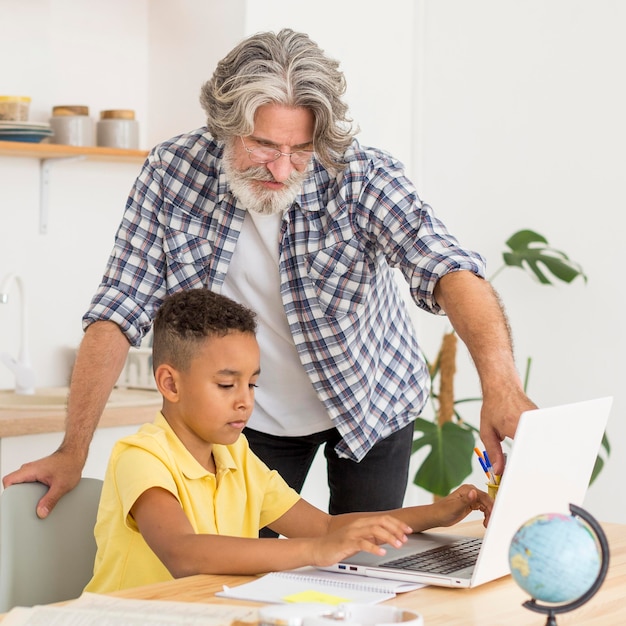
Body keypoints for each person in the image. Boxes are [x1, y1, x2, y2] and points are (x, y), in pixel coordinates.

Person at [3, 28, 535, 521]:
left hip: (372, 401)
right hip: (255, 421)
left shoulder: (359, 174)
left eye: (299, 150)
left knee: (366, 566)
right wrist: (72, 452)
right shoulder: (173, 172)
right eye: (262, 145)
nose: (282, 169)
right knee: (248, 574)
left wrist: (502, 385)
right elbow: (121, 307)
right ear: (224, 126)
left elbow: (447, 267)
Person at [84, 288, 493, 593]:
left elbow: (325, 526)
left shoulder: (235, 457)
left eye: (253, 384)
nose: (245, 401)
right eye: (227, 384)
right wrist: (316, 552)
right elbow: (183, 553)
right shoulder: (141, 456)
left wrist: (436, 514)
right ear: (170, 384)